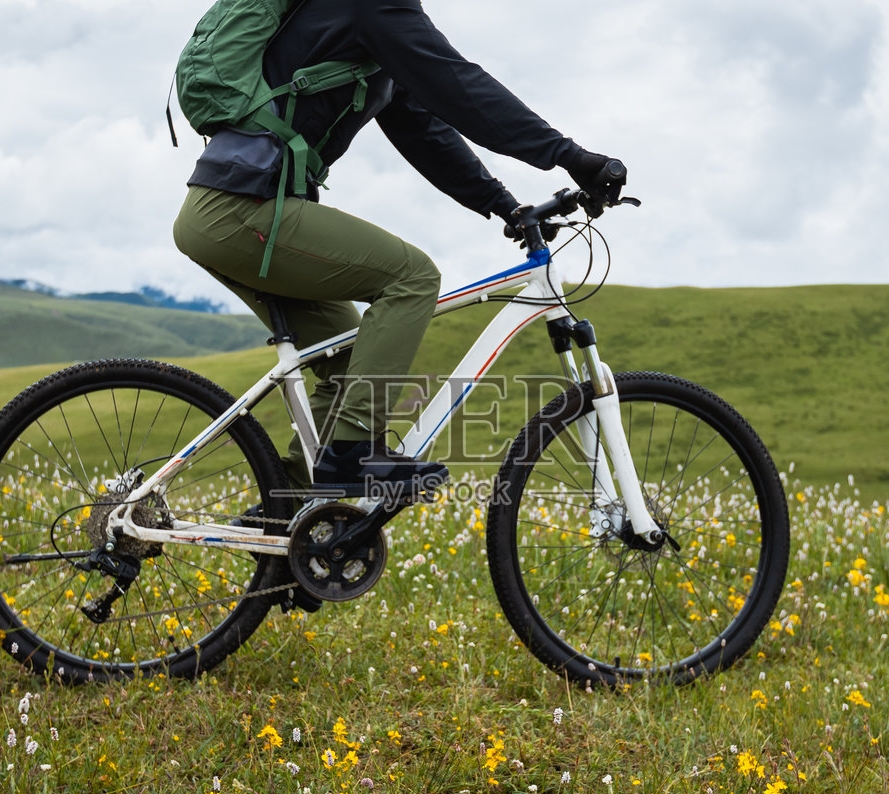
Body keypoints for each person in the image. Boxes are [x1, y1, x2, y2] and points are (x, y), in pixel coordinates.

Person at [172, 0, 625, 499]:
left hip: (232, 212)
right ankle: (353, 454)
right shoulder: (372, 6)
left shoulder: (371, 31)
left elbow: (426, 131)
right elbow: (458, 85)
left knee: (346, 360)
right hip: (245, 211)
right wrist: (570, 156)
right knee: (412, 278)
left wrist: (503, 204)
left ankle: (293, 513)